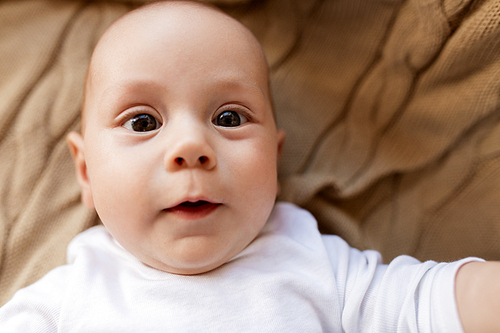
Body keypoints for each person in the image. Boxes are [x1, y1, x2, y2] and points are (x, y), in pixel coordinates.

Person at [0, 1, 498, 331]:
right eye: (143, 122)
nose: (192, 145)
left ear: (274, 163)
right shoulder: (64, 299)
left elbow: (430, 302)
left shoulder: (317, 265)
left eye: (229, 117)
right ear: (86, 172)